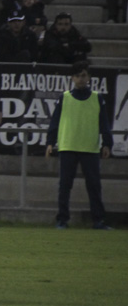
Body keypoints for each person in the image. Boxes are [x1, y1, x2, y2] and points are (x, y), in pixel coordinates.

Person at [46, 62, 113, 230]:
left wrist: (107, 143)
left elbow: (104, 122)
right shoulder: (65, 97)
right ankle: (62, 220)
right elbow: (54, 122)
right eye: (77, 76)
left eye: (83, 75)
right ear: (72, 78)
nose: (81, 79)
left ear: (89, 77)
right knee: (65, 186)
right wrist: (50, 142)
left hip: (89, 147)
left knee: (94, 186)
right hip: (68, 145)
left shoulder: (97, 97)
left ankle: (98, 221)